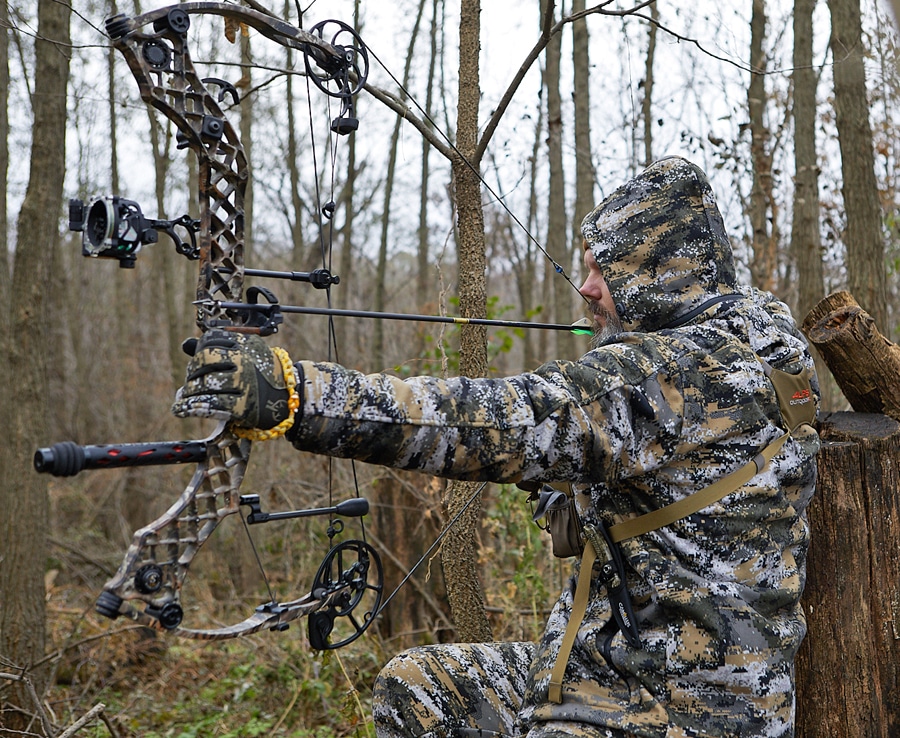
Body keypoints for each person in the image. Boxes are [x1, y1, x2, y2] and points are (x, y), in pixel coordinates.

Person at [173, 156, 820, 738]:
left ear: (658, 272)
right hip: (615, 667)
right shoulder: (763, 340)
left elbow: (504, 421)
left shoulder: (685, 373)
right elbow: (662, 476)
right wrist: (564, 484)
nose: (588, 288)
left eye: (605, 269)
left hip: (678, 709)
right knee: (419, 688)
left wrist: (296, 394)